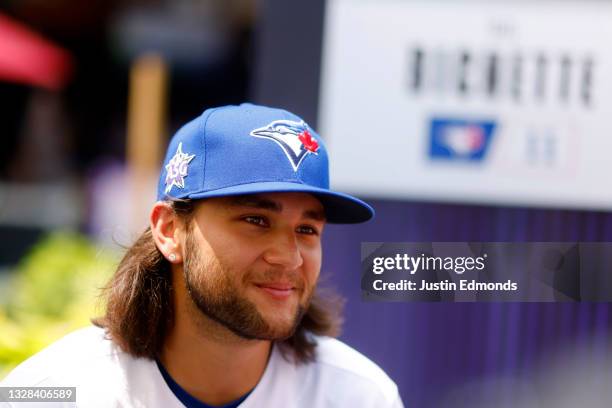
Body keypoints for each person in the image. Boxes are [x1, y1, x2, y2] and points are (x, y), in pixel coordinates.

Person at [1, 103, 404, 407]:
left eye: (307, 229)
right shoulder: (57, 389)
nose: (290, 257)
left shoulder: (358, 395)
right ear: (170, 230)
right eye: (255, 220)